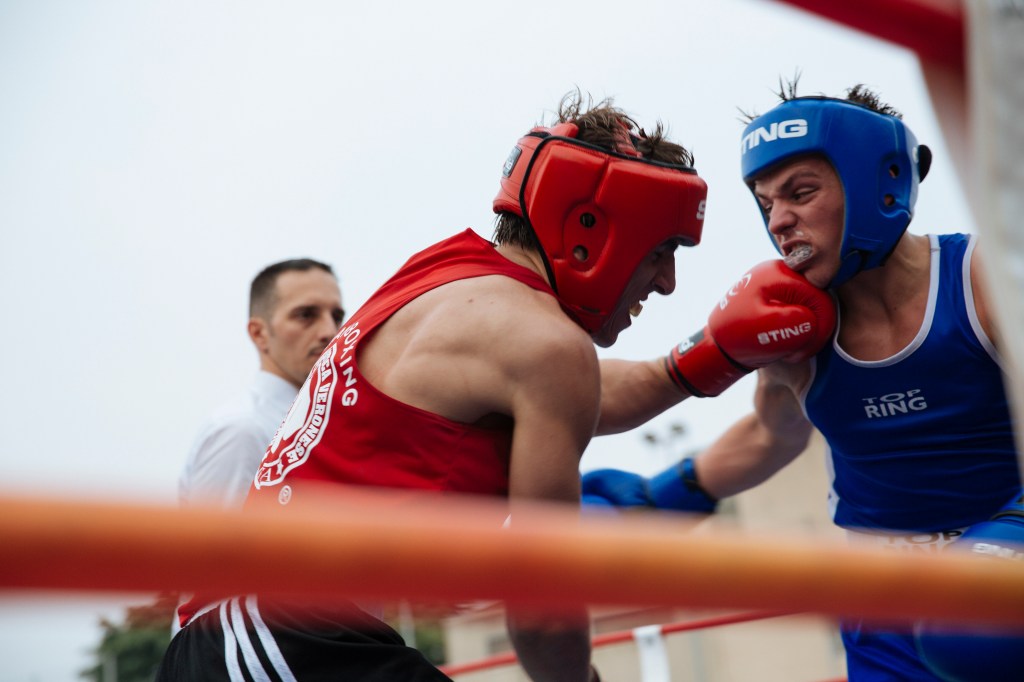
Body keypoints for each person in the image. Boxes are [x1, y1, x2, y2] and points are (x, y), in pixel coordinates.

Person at [157, 91, 836, 682]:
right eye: (661, 251)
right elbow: (541, 608)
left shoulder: (448, 276)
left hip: (261, 640)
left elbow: (584, 394)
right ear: (594, 229)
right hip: (276, 638)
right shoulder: (546, 345)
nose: (666, 283)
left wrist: (711, 356)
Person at [582, 83, 1024, 681]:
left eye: (801, 192)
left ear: (881, 181)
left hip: (1004, 580)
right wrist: (661, 497)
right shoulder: (793, 330)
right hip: (884, 608)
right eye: (766, 203)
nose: (779, 220)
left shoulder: (983, 283)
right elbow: (773, 434)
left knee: (974, 633)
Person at [178, 258, 345, 509]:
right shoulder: (243, 432)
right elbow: (214, 536)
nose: (330, 331)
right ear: (259, 333)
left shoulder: (318, 424)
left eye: (337, 316)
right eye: (306, 315)